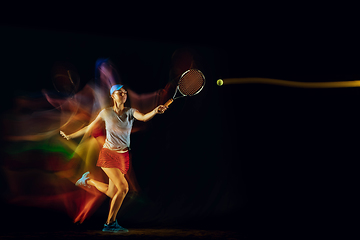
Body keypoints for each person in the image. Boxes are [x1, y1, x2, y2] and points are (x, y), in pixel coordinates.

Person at [60, 84, 168, 232]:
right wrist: (70, 135)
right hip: (108, 154)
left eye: (124, 93)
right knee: (123, 188)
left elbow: (143, 117)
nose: (123, 95)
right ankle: (110, 223)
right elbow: (89, 128)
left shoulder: (131, 112)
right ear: (113, 96)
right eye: (119, 92)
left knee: (113, 193)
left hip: (123, 156)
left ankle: (88, 180)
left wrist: (155, 111)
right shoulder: (106, 113)